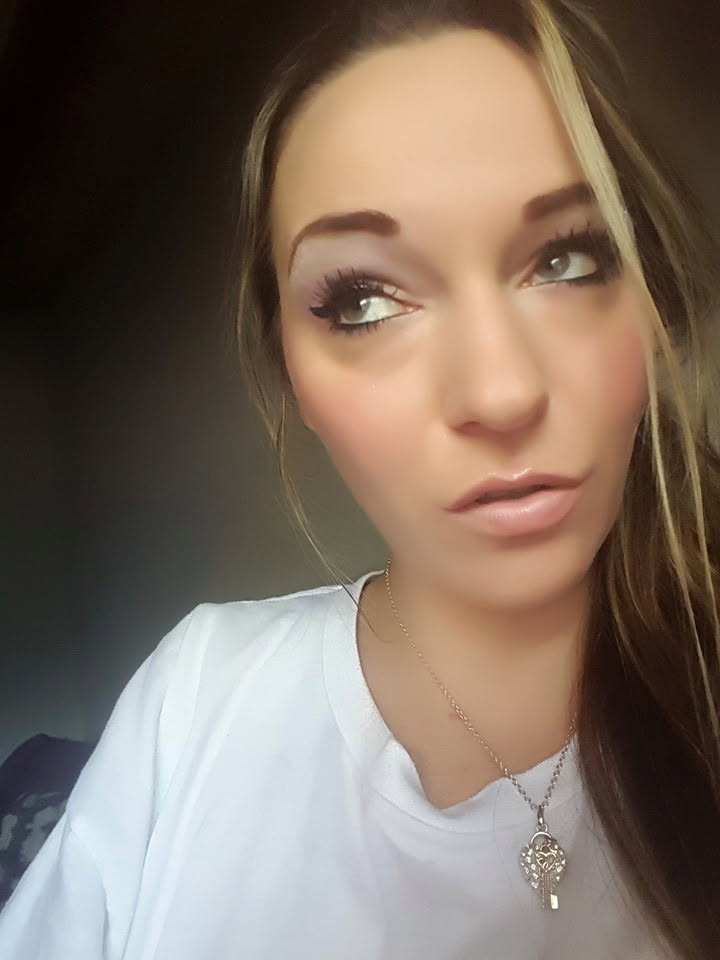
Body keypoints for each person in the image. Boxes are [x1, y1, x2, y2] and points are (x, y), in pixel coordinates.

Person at [1, 0, 719, 957]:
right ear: (291, 375)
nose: (501, 392)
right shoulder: (200, 691)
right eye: (366, 300)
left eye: (567, 258)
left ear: (650, 304)